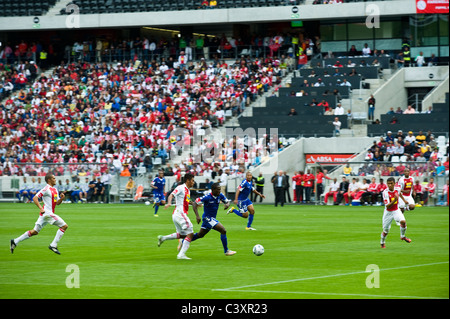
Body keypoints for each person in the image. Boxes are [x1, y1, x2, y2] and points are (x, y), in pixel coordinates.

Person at [10, 173, 68, 255]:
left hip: (45, 215)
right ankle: (53, 245)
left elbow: (57, 203)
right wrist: (41, 208)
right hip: (47, 213)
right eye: (54, 178)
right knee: (64, 226)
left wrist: (61, 198)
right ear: (49, 180)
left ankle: (15, 241)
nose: (55, 179)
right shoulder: (46, 189)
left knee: (35, 232)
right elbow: (35, 198)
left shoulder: (55, 190)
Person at [158, 173, 201, 260]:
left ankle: (163, 238)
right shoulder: (180, 187)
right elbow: (171, 195)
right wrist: (169, 203)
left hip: (177, 215)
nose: (193, 182)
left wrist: (195, 204)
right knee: (190, 233)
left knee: (183, 235)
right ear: (188, 180)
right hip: (180, 213)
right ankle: (181, 255)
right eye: (192, 180)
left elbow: (187, 201)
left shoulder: (187, 190)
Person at [190, 183, 236, 256]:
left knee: (200, 235)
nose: (219, 191)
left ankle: (184, 241)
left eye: (220, 190)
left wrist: (227, 204)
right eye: (218, 190)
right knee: (223, 230)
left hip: (212, 219)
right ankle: (226, 251)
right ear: (213, 190)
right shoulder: (207, 197)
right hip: (207, 218)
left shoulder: (219, 195)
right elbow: (195, 203)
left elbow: (227, 201)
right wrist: (197, 216)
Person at [380, 177, 411, 249]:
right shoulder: (385, 192)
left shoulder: (397, 188)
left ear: (394, 183)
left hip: (396, 210)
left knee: (403, 221)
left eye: (391, 183)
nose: (390, 185)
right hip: (388, 212)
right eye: (388, 183)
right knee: (385, 231)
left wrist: (404, 200)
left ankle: (402, 236)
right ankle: (382, 242)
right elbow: (387, 206)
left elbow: (399, 193)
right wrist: (395, 200)